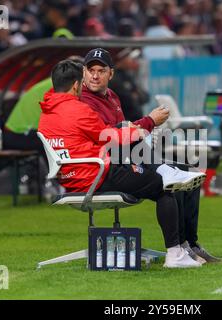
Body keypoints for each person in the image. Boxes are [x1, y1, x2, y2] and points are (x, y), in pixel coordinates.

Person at [38, 59, 201, 268]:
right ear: (76, 85)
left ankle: (165, 172)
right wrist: (145, 125)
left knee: (158, 174)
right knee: (163, 185)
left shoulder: (46, 112)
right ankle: (175, 255)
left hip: (74, 178)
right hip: (96, 175)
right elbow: (110, 136)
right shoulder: (78, 110)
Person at [80, 48, 222, 263]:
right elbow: (111, 136)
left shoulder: (112, 96)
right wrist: (148, 122)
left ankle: (189, 244)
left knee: (187, 172)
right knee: (166, 181)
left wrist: (140, 127)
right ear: (83, 72)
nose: (95, 75)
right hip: (106, 164)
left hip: (124, 156)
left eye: (101, 70)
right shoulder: (84, 101)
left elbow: (125, 133)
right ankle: (177, 250)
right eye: (91, 70)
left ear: (111, 74)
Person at [108, 48, 149, 122]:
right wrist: (134, 96)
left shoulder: (128, 75)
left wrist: (135, 96)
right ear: (122, 60)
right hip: (124, 121)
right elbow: (127, 101)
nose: (132, 61)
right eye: (129, 58)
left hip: (136, 121)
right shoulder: (113, 78)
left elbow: (145, 96)